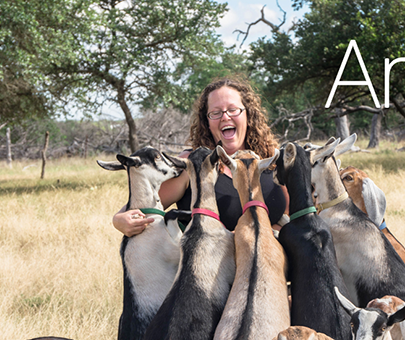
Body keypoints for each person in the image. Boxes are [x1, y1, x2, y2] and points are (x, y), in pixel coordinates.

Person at [112, 76, 288, 235]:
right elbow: (142, 209)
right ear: (207, 122)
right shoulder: (192, 163)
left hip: (270, 265)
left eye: (233, 109)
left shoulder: (271, 158)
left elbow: (291, 213)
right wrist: (119, 220)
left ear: (248, 115)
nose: (225, 117)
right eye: (216, 113)